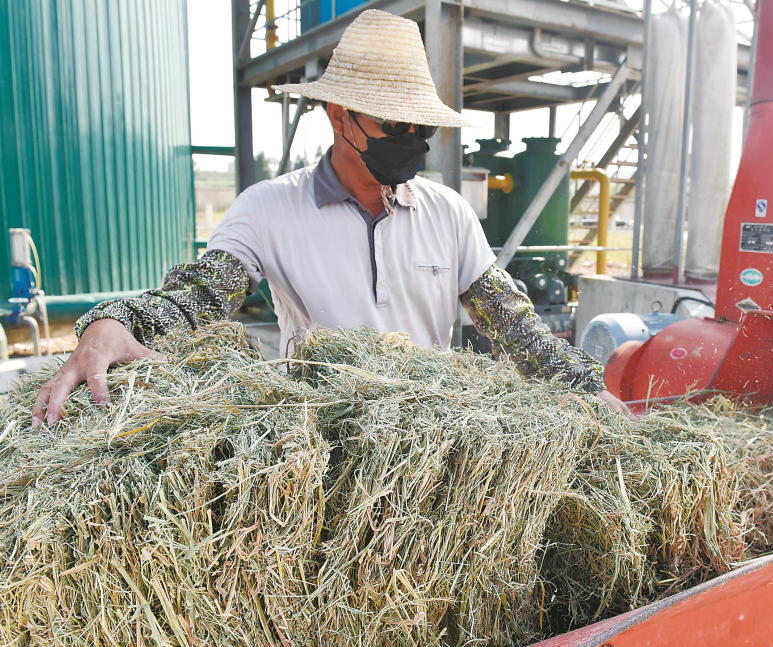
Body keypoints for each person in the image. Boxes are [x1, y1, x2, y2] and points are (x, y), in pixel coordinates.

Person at [32, 9, 628, 427]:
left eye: (423, 129)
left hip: (438, 443)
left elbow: (513, 321)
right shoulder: (269, 209)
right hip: (326, 443)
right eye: (398, 126)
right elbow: (194, 297)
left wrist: (588, 387)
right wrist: (111, 321)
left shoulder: (446, 212)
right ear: (340, 117)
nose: (415, 143)